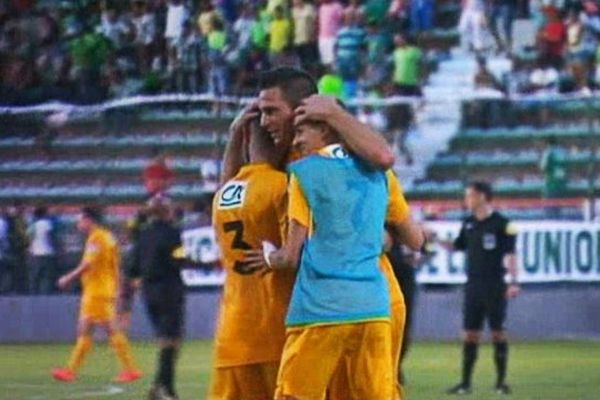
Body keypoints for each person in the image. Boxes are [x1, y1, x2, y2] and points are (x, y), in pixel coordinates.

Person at [243, 118, 423, 399]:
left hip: (322, 307)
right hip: (374, 308)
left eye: (302, 131)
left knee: (295, 394)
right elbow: (416, 240)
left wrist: (268, 256)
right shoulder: (382, 174)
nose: (296, 141)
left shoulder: (305, 173)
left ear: (326, 130)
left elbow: (290, 256)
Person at [208, 120, 295, 400]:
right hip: (274, 329)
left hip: (232, 334)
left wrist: (234, 135)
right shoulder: (282, 186)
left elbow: (227, 178)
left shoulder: (223, 194)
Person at [438, 182, 520, 395]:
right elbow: (457, 246)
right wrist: (435, 239)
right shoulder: (468, 223)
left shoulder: (502, 224)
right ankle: (465, 383)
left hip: (495, 284)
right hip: (473, 285)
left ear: (482, 197)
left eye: (470, 196)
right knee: (470, 334)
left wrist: (513, 282)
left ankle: (501, 382)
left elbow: (511, 255)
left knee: (498, 333)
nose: (467, 200)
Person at [52, 207, 141, 383]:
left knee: (104, 330)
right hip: (103, 290)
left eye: (80, 220)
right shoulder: (108, 237)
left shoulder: (96, 238)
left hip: (96, 292)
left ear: (89, 220)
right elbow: (115, 265)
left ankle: (130, 369)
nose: (79, 223)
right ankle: (70, 370)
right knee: (89, 329)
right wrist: (117, 288)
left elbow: (87, 264)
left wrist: (68, 278)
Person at [129, 198, 185, 400]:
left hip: (148, 291)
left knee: (165, 338)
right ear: (165, 212)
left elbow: (133, 266)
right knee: (172, 339)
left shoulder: (142, 235)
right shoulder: (172, 233)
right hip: (169, 288)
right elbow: (179, 259)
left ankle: (160, 387)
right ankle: (164, 388)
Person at [28, 206, 58, 294]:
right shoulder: (46, 224)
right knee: (46, 276)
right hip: (47, 252)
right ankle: (45, 294)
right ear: (44, 214)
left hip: (35, 253)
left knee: (35, 275)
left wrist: (31, 249)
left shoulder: (33, 225)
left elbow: (30, 238)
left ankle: (33, 293)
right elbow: (50, 237)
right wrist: (54, 247)